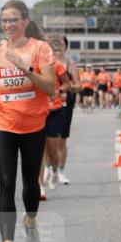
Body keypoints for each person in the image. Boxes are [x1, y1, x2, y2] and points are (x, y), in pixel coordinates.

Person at [0, 0, 55, 242]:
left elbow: (50, 88)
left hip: (33, 126)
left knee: (30, 185)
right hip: (3, 123)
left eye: (13, 20)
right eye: (4, 20)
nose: (8, 25)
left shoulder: (40, 49)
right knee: (5, 182)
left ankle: (30, 220)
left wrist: (24, 68)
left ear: (25, 21)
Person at [42, 34, 71, 192]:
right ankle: (39, 186)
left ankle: (54, 171)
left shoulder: (57, 65)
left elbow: (67, 84)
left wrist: (58, 90)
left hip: (54, 111)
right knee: (39, 148)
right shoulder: (33, 65)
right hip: (37, 112)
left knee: (53, 151)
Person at [58, 35, 80, 185]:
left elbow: (79, 86)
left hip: (65, 103)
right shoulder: (44, 62)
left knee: (61, 140)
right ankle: (48, 169)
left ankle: (60, 171)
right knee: (46, 140)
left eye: (60, 43)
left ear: (65, 46)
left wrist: (64, 88)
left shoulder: (69, 63)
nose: (56, 46)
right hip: (46, 104)